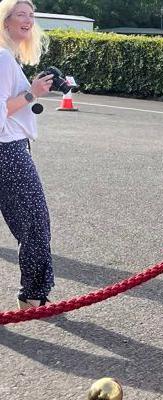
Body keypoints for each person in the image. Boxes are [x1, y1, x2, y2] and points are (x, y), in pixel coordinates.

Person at [0, 0, 55, 309]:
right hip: (7, 151)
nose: (28, 20)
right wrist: (32, 92)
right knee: (34, 223)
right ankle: (32, 297)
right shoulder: (3, 59)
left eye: (32, 16)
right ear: (5, 20)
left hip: (11, 148)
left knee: (31, 223)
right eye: (21, 14)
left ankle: (33, 295)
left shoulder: (8, 58)